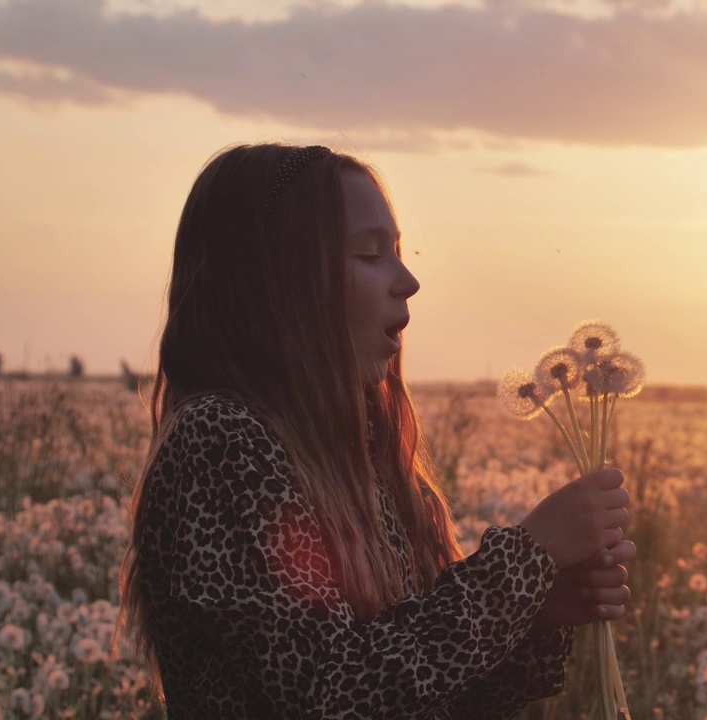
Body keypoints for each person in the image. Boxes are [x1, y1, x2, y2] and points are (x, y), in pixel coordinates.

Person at [112, 143, 634, 719]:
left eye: (399, 253)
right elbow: (329, 692)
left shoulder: (356, 453)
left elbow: (417, 697)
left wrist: (537, 615)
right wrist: (525, 560)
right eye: (369, 254)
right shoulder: (219, 441)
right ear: (276, 279)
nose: (407, 281)